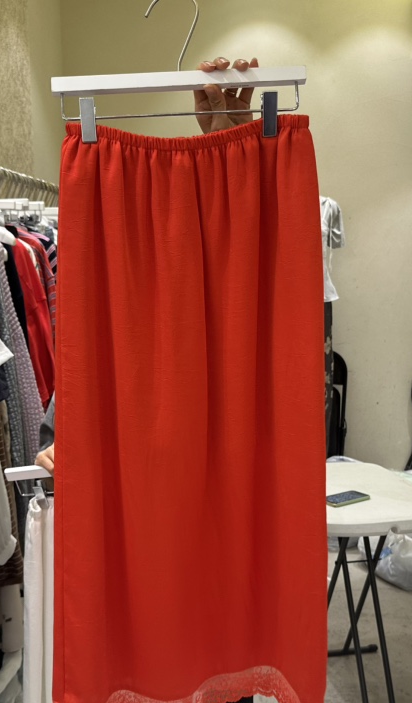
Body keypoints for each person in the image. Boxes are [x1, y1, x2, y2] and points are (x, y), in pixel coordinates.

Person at [34, 56, 258, 477]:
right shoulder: (107, 309)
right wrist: (55, 452)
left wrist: (239, 160)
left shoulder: (245, 299)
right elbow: (57, 443)